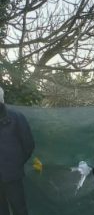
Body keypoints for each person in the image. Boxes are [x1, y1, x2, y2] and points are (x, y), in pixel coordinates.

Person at [0, 87, 34, 215]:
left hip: (13, 175)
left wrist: (15, 163)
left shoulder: (16, 117)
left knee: (19, 210)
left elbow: (28, 144)